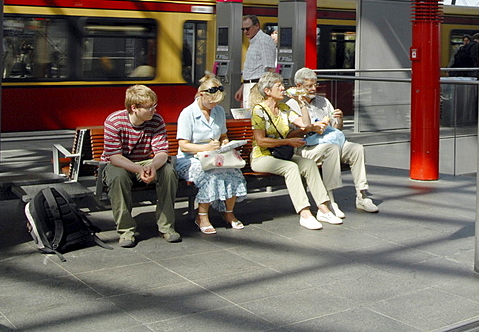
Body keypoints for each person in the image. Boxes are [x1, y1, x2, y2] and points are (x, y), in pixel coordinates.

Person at [249, 72, 341, 230]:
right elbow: (260, 141)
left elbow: (305, 125)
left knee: (308, 164)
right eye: (279, 86)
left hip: (281, 154)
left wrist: (301, 103)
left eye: (282, 85)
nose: (283, 88)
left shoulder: (284, 108)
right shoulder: (259, 111)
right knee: (291, 168)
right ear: (268, 91)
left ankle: (323, 209)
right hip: (262, 156)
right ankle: (304, 213)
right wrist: (287, 141)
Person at [287, 67, 379, 214]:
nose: (313, 89)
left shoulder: (323, 101)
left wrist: (339, 119)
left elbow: (336, 129)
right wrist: (311, 128)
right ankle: (329, 199)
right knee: (331, 149)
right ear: (298, 87)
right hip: (305, 147)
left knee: (357, 149)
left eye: (314, 85)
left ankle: (362, 196)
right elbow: (291, 133)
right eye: (308, 86)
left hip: (329, 141)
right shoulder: (291, 105)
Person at [101, 84, 179, 247]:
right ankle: (126, 231)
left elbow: (162, 152)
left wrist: (152, 167)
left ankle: (166, 227)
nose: (154, 110)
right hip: (121, 162)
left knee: (169, 172)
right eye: (150, 107)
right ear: (134, 108)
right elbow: (115, 157)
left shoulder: (156, 121)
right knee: (118, 177)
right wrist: (140, 169)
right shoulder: (114, 121)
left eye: (154, 106)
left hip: (146, 161)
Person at [174, 74, 247, 234]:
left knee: (233, 172)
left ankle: (228, 212)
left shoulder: (218, 111)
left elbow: (223, 135)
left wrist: (225, 143)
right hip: (189, 159)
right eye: (211, 102)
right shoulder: (188, 113)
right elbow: (183, 146)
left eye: (217, 103)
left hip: (214, 156)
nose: (214, 105)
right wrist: (206, 147)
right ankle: (202, 216)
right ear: (201, 95)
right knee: (209, 173)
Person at [235, 15, 277, 109]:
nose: (245, 32)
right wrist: (243, 87)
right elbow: (253, 69)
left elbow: (270, 69)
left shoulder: (263, 41)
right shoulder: (254, 42)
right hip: (249, 85)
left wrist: (265, 92)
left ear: (257, 26)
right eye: (243, 29)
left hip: (258, 87)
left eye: (248, 29)